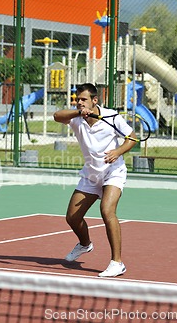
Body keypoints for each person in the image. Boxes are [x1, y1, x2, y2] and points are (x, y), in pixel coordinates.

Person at [53, 83, 137, 277]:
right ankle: (85, 244)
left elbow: (131, 138)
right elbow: (57, 116)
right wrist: (78, 113)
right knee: (72, 217)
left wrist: (118, 151)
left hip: (113, 172)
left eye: (83, 100)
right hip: (90, 174)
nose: (79, 103)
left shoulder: (111, 117)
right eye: (77, 100)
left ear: (94, 100)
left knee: (107, 211)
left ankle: (117, 263)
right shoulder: (76, 120)